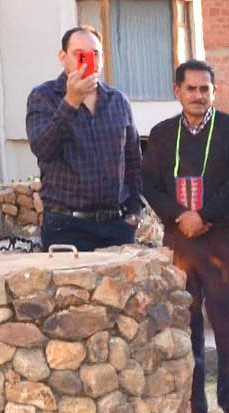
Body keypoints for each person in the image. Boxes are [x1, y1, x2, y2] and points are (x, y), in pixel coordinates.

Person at [140, 60, 229, 413]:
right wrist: (180, 216)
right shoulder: (160, 134)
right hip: (179, 240)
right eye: (190, 89)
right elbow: (150, 185)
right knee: (183, 319)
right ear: (177, 92)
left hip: (220, 238)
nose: (198, 96)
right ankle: (192, 399)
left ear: (214, 92)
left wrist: (203, 217)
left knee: (227, 321)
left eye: (205, 89)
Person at [25, 26, 144, 251]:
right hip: (67, 226)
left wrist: (135, 208)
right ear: (63, 57)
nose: (88, 60)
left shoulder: (118, 101)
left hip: (117, 226)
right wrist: (71, 102)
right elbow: (42, 148)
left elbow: (133, 159)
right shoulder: (44, 96)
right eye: (79, 54)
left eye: (95, 54)